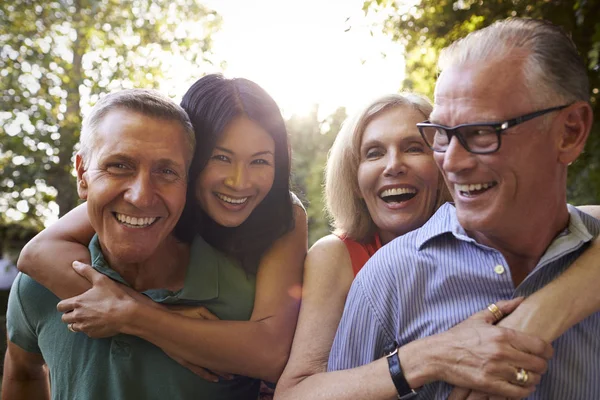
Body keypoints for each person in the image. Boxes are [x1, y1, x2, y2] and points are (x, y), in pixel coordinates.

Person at [327, 18, 600, 399]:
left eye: (482, 131)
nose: (451, 162)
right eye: (441, 134)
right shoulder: (386, 282)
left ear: (570, 132)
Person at [275, 91, 600, 400]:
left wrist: (536, 315)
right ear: (355, 179)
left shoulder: (501, 230)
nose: (393, 165)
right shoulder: (337, 256)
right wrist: (425, 358)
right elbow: (296, 392)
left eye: (414, 148)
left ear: (447, 162)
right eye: (373, 153)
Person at [14, 76, 307, 398]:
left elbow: (271, 353)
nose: (239, 182)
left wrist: (144, 319)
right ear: (193, 160)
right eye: (221, 157)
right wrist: (160, 325)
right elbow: (36, 253)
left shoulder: (281, 214)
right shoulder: (146, 197)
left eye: (260, 160)